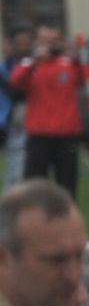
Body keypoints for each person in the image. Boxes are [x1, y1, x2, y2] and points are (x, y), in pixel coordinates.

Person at [7, 25, 85, 196]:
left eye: (54, 41)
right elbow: (15, 82)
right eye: (45, 41)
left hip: (66, 134)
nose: (50, 45)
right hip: (39, 135)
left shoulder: (69, 63)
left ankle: (65, 220)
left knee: (67, 185)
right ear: (38, 42)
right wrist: (35, 61)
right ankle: (34, 220)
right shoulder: (30, 63)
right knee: (34, 185)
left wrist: (77, 59)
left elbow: (85, 79)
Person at [0, 27, 27, 190]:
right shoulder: (5, 68)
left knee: (19, 168)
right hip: (8, 124)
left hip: (18, 122)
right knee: (15, 168)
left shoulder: (21, 66)